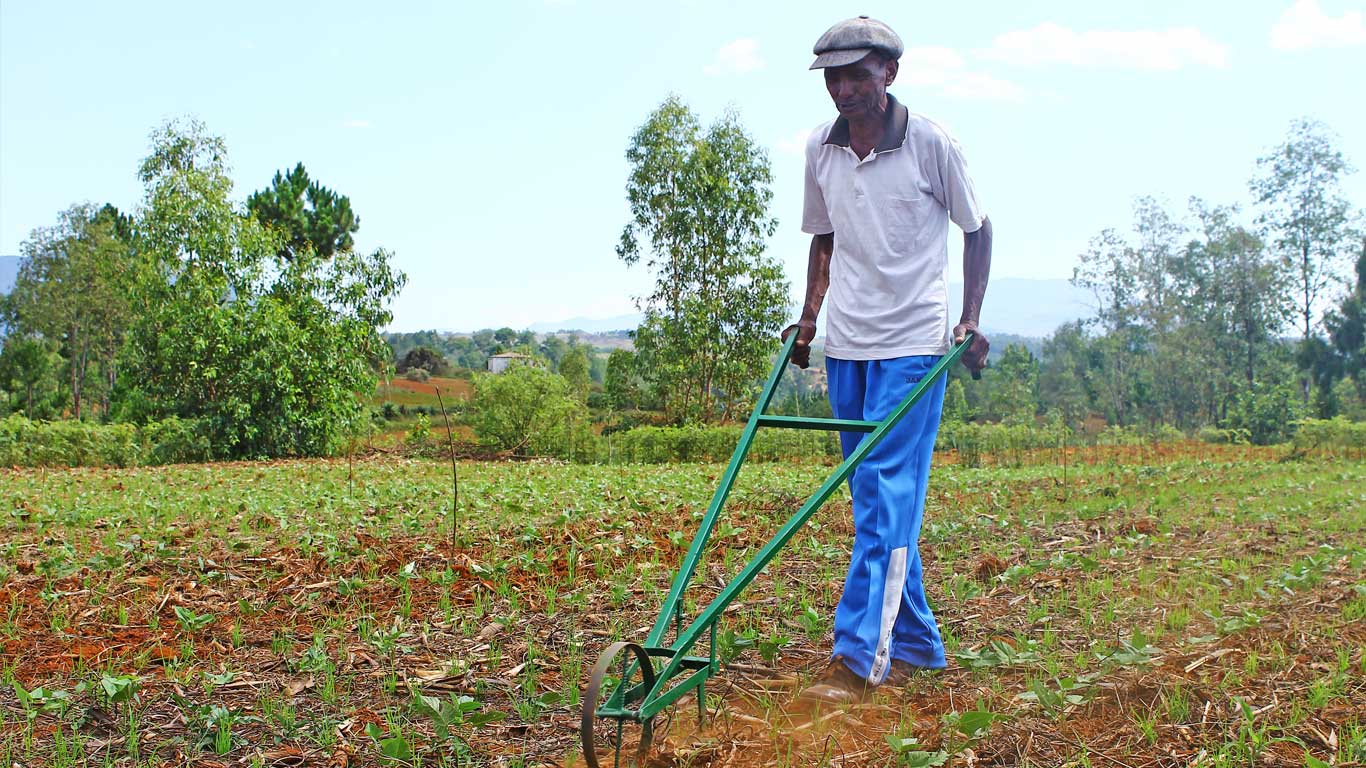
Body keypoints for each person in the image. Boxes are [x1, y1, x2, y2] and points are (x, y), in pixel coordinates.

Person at [783, 15, 992, 705]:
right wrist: (809, 319)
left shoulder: (931, 143)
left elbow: (977, 228)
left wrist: (970, 318)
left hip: (912, 342)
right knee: (874, 498)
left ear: (889, 74)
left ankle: (857, 661)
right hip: (847, 343)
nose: (843, 89)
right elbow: (823, 237)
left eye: (856, 75)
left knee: (887, 502)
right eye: (833, 78)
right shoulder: (821, 147)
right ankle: (917, 644)